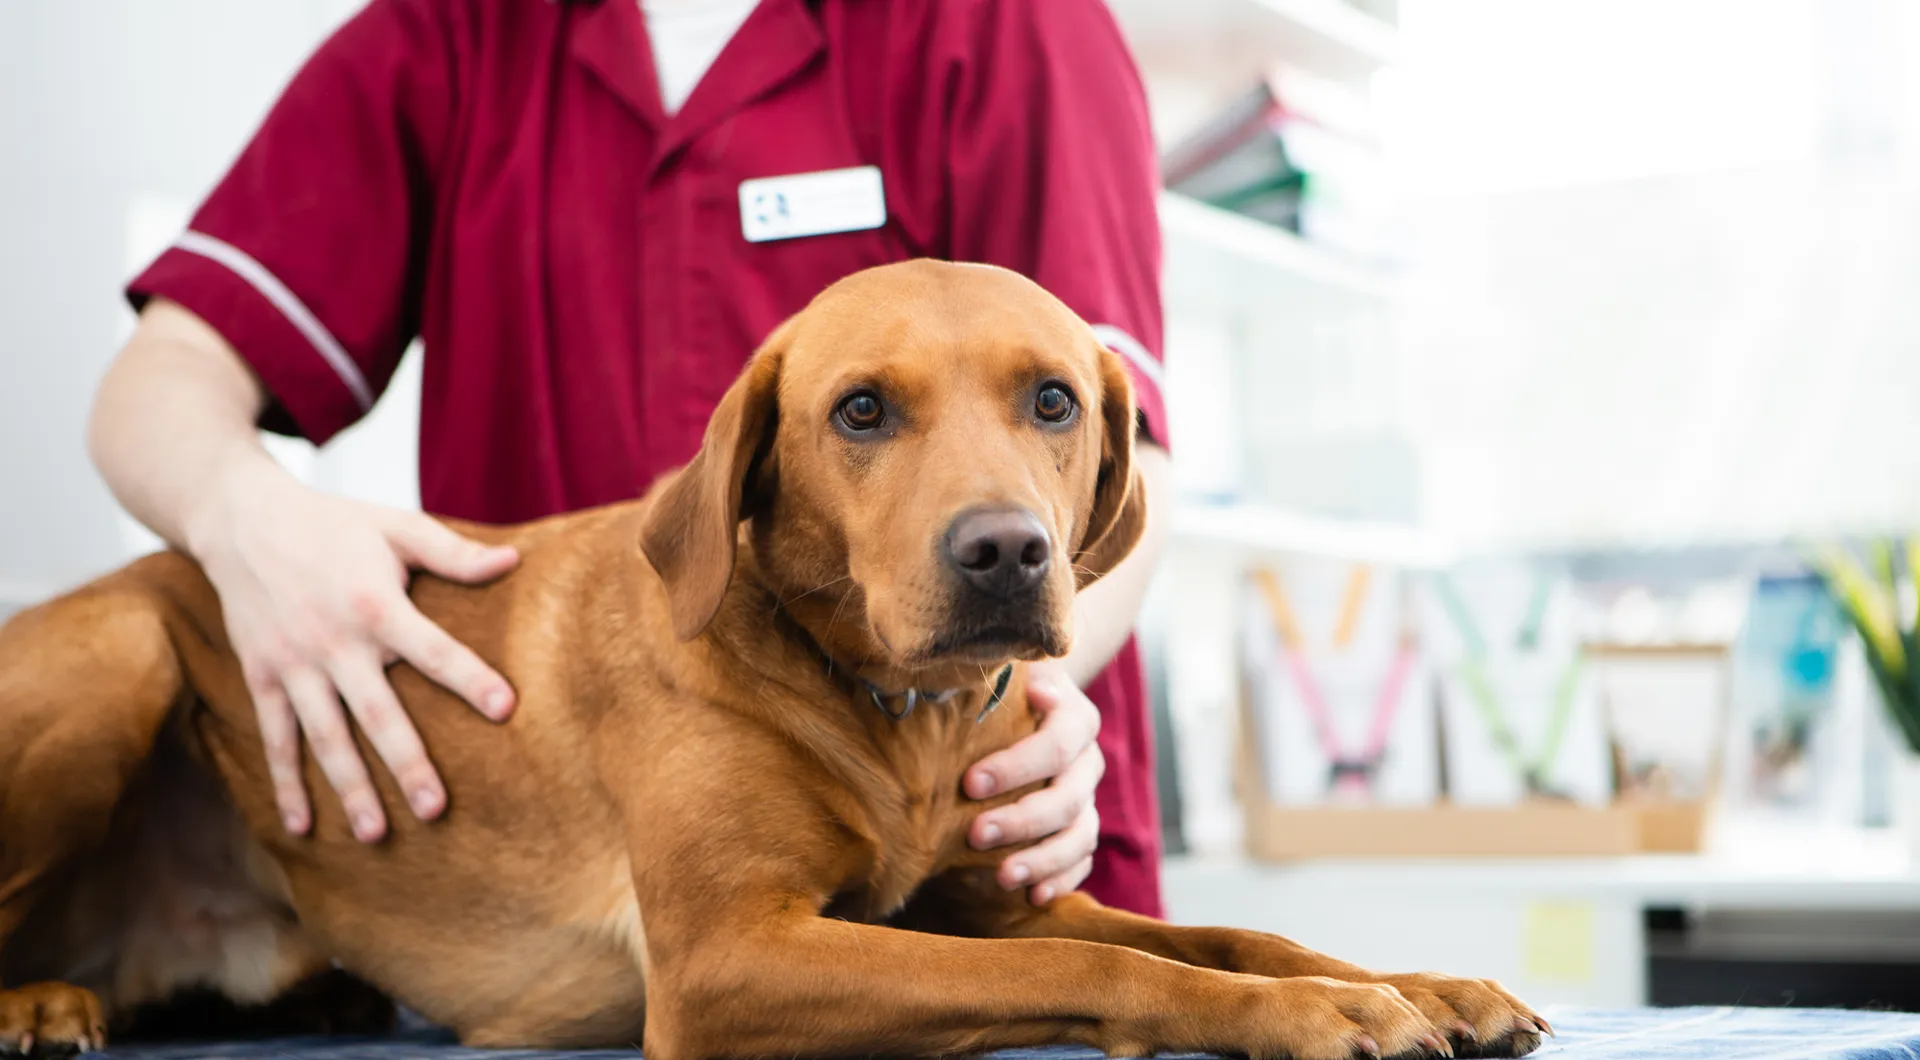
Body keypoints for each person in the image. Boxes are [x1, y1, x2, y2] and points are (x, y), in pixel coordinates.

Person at [94, 0, 1173, 916]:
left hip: (991, 847)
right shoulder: (450, 35)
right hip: (549, 869)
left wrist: (1019, 687)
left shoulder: (1006, 24)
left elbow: (1126, 452)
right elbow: (156, 384)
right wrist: (251, 518)